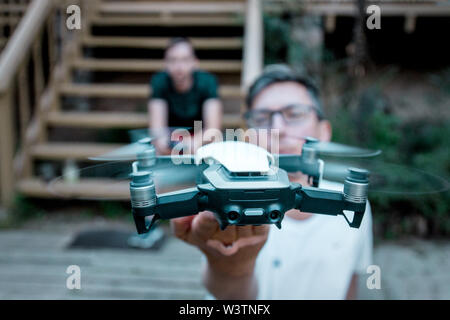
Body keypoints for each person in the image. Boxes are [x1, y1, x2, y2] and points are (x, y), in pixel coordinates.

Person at [170, 65, 373, 299]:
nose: (277, 130)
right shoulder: (226, 199)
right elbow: (224, 293)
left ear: (324, 132)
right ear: (248, 136)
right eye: (262, 118)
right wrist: (229, 266)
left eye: (295, 114)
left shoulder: (355, 205)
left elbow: (350, 285)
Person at [148, 37, 223, 155]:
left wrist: (193, 142)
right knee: (156, 145)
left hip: (200, 143)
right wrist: (166, 142)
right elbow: (157, 129)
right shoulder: (159, 81)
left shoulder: (208, 81)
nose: (179, 66)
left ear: (195, 62)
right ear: (165, 63)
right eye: (173, 60)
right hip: (170, 143)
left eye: (185, 59)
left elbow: (213, 129)